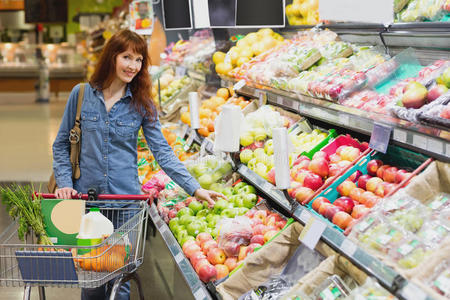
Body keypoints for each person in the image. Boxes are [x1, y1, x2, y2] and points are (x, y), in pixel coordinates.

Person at [52, 29, 225, 300]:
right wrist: (64, 184)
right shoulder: (81, 95)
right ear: (112, 57)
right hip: (88, 202)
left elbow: (163, 152)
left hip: (126, 205)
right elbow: (61, 145)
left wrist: (194, 188)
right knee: (91, 279)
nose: (133, 65)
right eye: (127, 57)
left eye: (139, 59)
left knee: (120, 281)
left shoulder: (142, 103)